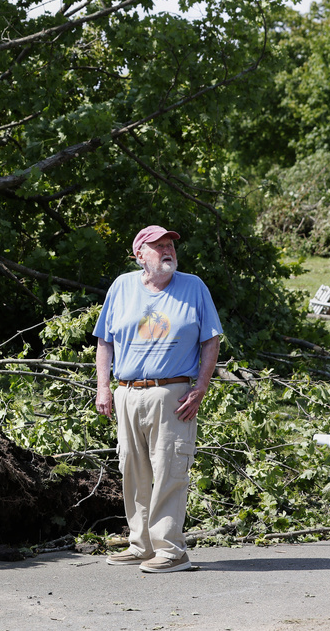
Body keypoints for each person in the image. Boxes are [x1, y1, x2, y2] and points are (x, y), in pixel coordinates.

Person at [92, 225, 222, 573]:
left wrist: (201, 388)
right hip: (127, 391)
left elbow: (211, 340)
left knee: (170, 469)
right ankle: (141, 545)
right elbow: (104, 341)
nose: (168, 251)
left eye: (171, 246)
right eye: (159, 246)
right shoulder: (122, 286)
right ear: (140, 255)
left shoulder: (193, 287)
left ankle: (171, 550)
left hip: (174, 393)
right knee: (131, 470)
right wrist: (104, 388)